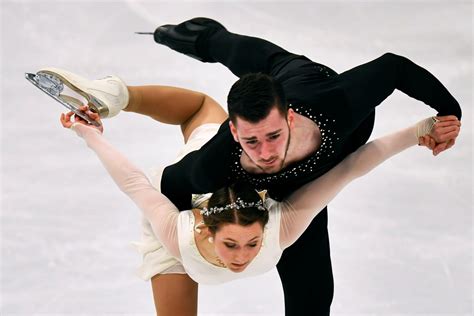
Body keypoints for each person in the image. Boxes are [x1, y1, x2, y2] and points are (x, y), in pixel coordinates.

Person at [38, 19, 462, 312]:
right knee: (223, 50)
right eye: (251, 141)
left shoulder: (336, 103)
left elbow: (393, 67)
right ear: (234, 132)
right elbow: (149, 188)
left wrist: (447, 113)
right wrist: (91, 132)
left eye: (274, 136)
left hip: (304, 81)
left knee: (228, 47)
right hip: (287, 195)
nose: (264, 152)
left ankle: (197, 37)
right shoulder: (215, 162)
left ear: (289, 119)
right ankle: (137, 74)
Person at [60, 103, 458, 315]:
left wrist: (418, 131)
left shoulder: (281, 227)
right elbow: (133, 182)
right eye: (231, 245)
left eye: (251, 244)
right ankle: (130, 95)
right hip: (192, 181)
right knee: (200, 118)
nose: (242, 258)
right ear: (206, 232)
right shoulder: (178, 234)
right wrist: (87, 132)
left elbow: (351, 167)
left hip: (239, 182)